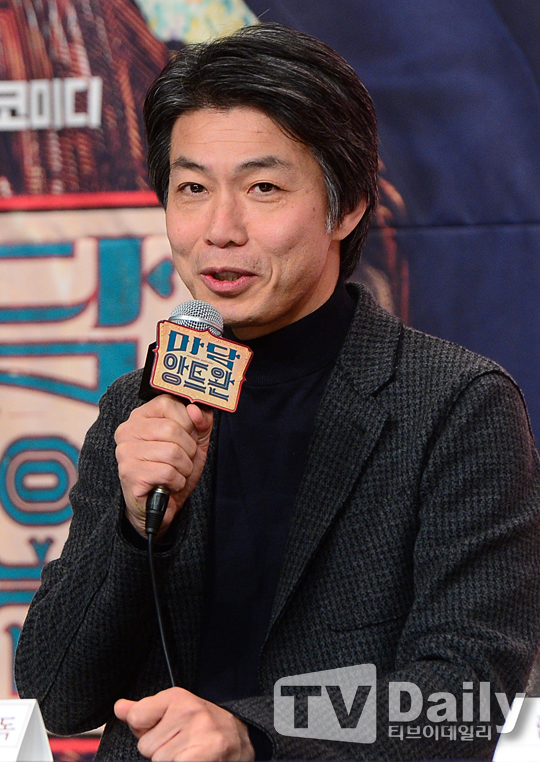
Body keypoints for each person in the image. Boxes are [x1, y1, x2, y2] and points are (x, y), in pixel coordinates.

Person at [15, 22, 540, 761]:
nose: (220, 229)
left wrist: (253, 731)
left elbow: (466, 697)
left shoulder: (455, 404)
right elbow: (56, 693)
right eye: (192, 188)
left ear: (347, 205)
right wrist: (134, 531)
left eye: (263, 188)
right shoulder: (143, 405)